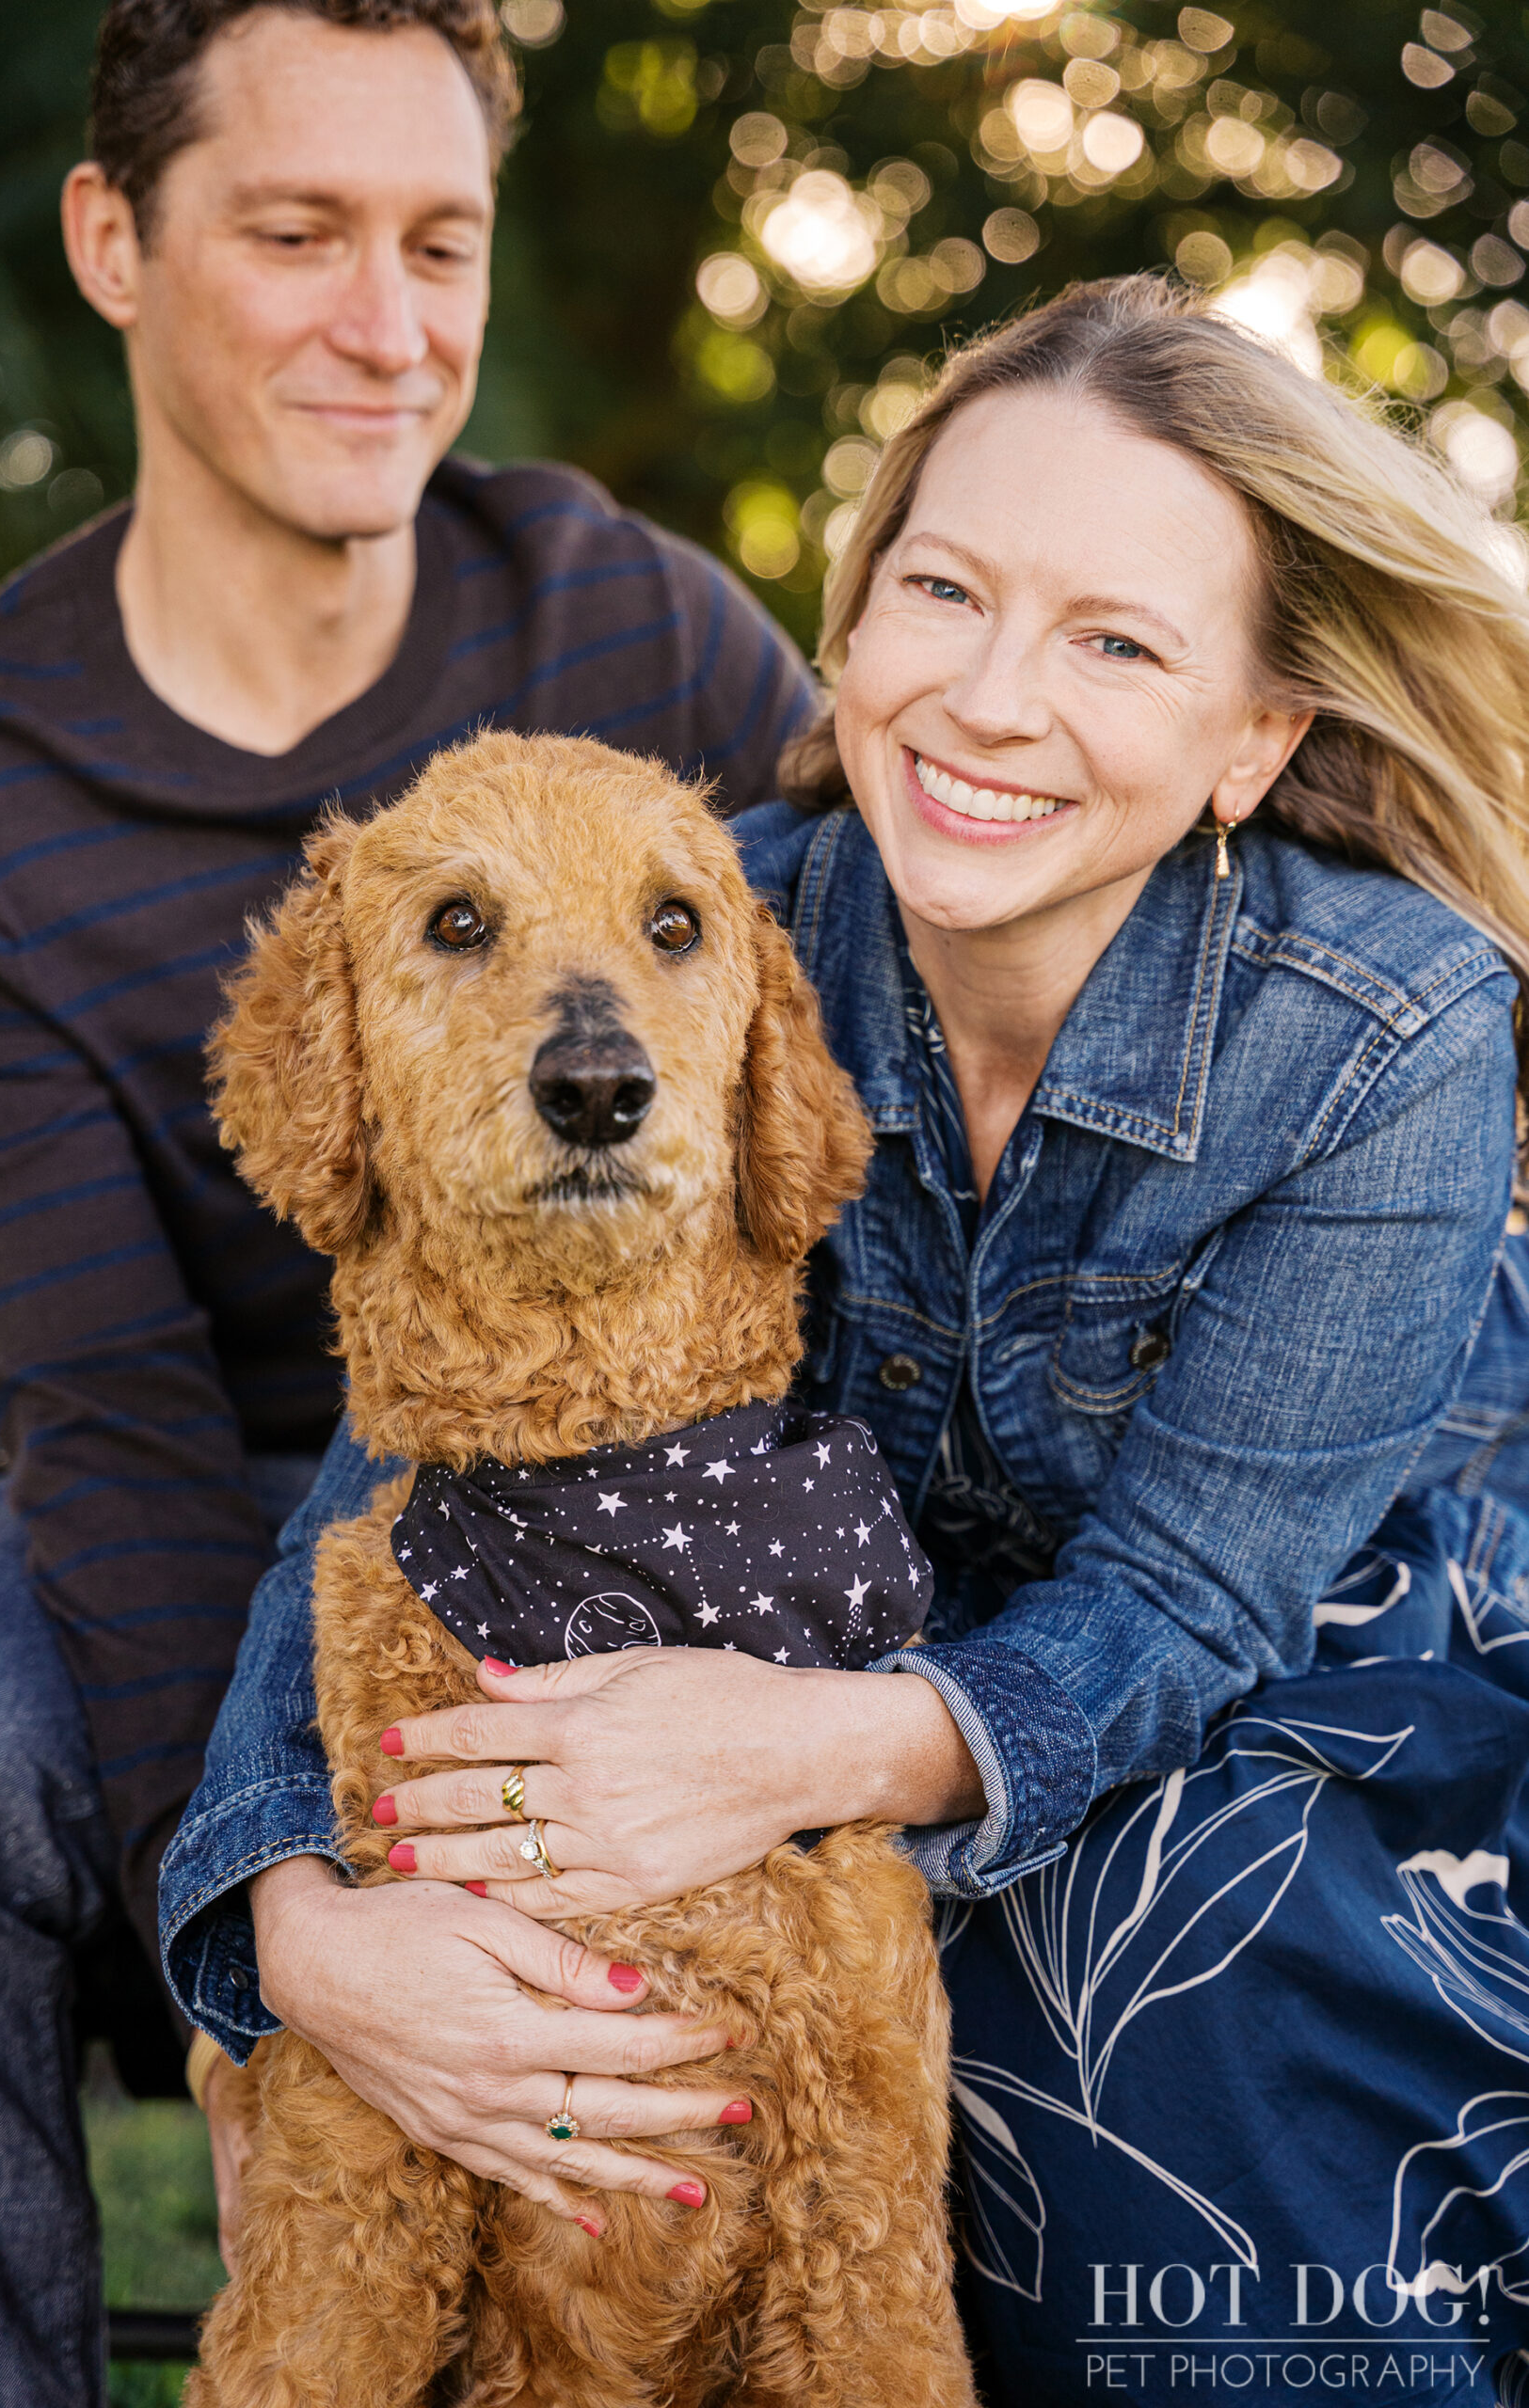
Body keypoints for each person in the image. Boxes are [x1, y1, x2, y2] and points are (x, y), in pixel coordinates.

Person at [167, 275, 1529, 2405]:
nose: (989, 700)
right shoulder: (710, 911)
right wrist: (288, 1927)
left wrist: (797, 1752)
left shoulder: (1382, 1030)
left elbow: (1184, 1598)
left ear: (1247, 736)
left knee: (1132, 2031)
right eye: (945, 591)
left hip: (1290, 1628)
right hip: (845, 1632)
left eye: (1114, 642)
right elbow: (413, 1468)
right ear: (851, 618)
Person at [0, 1, 813, 2399]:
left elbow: (876, 1027)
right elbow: (97, 1408)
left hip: (637, 1464)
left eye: (437, 241)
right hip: (188, 1480)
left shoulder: (624, 619)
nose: (388, 326)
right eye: (296, 233)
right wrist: (270, 1946)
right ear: (113, 238)